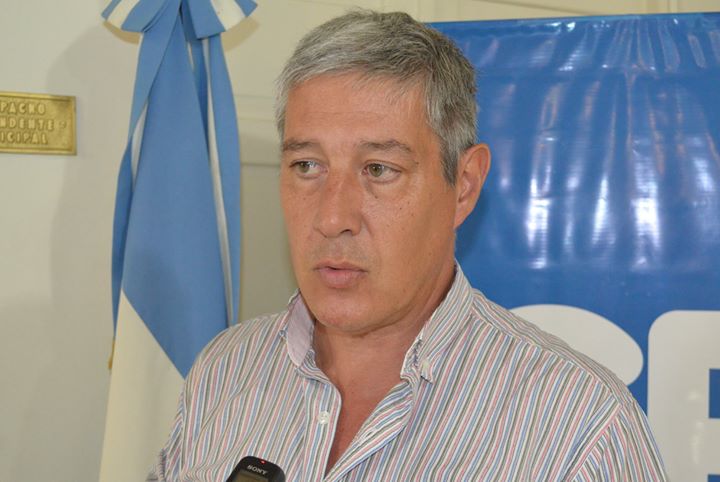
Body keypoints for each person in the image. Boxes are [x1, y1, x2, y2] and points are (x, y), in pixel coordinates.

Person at [149, 10, 667, 481]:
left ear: (463, 185)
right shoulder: (225, 371)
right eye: (307, 165)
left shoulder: (580, 430)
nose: (332, 218)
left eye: (379, 170)